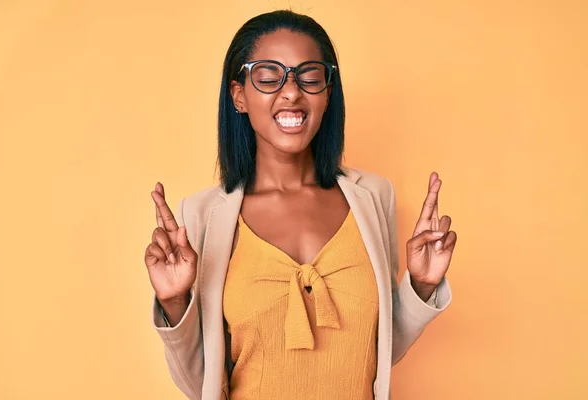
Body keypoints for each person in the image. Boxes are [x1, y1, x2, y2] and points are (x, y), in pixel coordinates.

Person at [144, 9, 456, 400]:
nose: (291, 92)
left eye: (309, 76)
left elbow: (375, 353)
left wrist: (423, 285)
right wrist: (174, 300)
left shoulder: (374, 198)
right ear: (239, 95)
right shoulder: (201, 217)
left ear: (327, 93)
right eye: (269, 76)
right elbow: (202, 384)